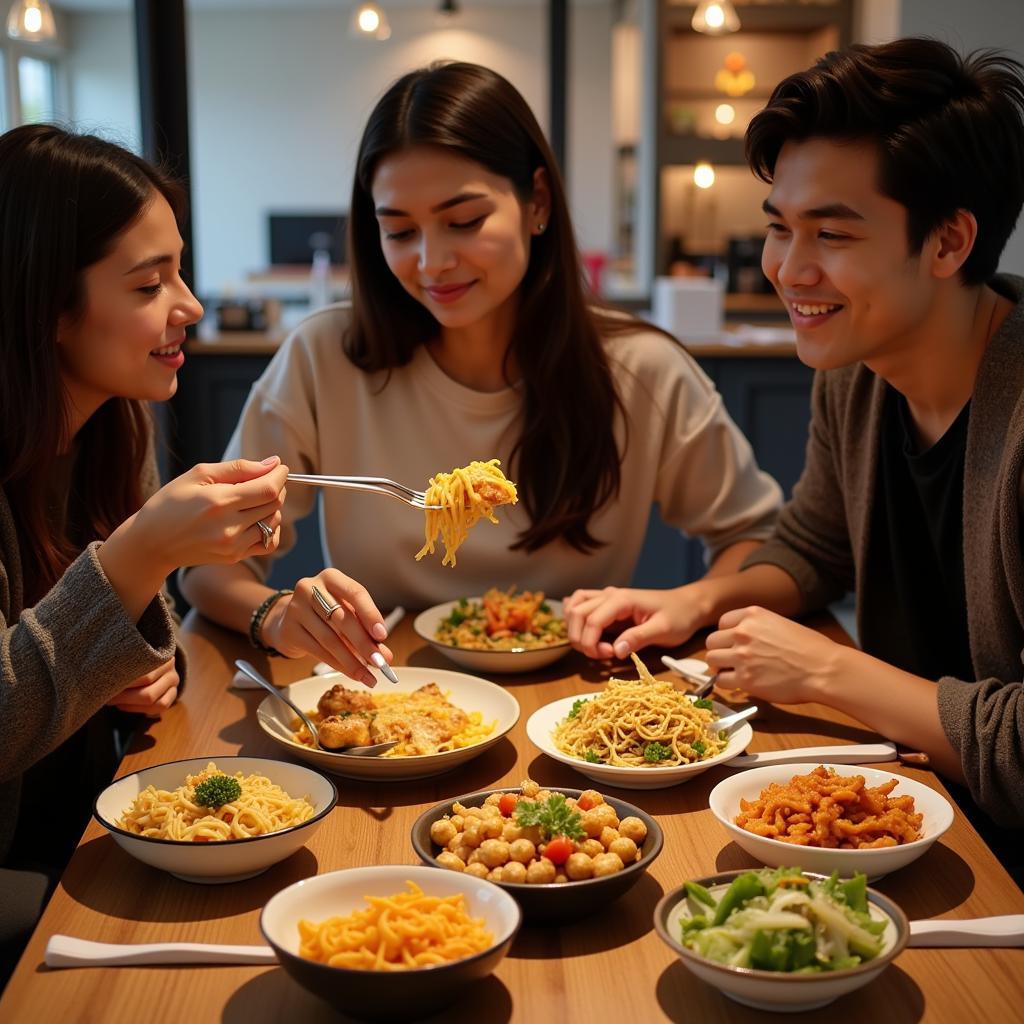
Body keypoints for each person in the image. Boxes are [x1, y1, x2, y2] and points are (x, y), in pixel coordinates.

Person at [180, 61, 782, 686]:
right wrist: (276, 615)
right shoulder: (323, 356)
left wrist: (693, 601)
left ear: (537, 202)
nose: (432, 261)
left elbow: (758, 541)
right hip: (387, 692)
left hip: (578, 700)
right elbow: (208, 565)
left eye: (464, 221)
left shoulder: (640, 370)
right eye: (400, 230)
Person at [564, 39, 1024, 838]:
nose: (787, 269)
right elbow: (815, 548)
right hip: (901, 813)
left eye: (832, 236)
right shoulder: (860, 371)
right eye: (780, 228)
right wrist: (694, 602)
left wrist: (824, 670)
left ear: (949, 242)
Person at [0, 124, 289, 980]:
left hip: (99, 825)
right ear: (50, 303)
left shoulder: (108, 428)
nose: (190, 305)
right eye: (148, 283)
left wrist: (143, 664)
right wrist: (135, 559)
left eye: (179, 269)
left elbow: (144, 637)